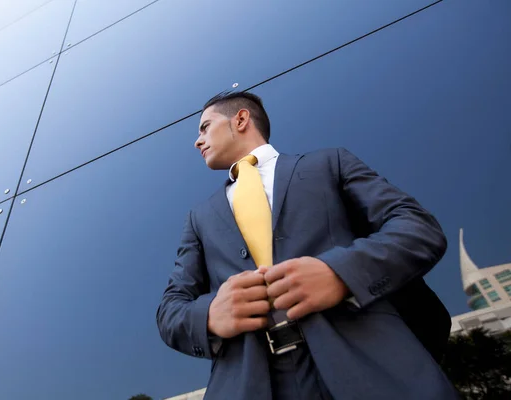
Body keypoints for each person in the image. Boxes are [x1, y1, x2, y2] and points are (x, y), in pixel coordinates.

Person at [156, 91, 458, 399]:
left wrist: (340, 273)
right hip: (248, 385)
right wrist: (209, 315)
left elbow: (416, 226)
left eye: (205, 127)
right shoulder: (198, 217)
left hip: (369, 370)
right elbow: (171, 309)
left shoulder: (329, 164)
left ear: (241, 119)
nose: (198, 140)